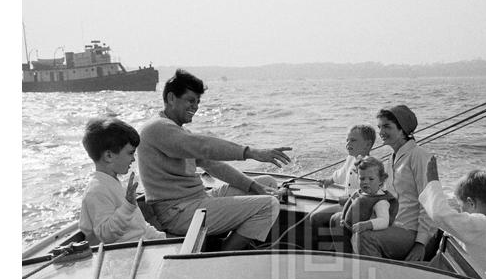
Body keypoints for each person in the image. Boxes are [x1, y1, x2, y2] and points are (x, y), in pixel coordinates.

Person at [137, 69, 292, 250]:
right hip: (178, 212)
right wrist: (251, 152)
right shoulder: (157, 128)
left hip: (198, 199)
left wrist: (255, 187)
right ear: (171, 98)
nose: (195, 107)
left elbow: (213, 165)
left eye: (197, 102)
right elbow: (204, 146)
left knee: (268, 183)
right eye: (190, 100)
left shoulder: (177, 131)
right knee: (269, 205)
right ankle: (223, 254)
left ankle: (227, 243)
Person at [419, 156, 486, 279]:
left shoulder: (479, 225)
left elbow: (439, 214)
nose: (461, 212)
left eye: (461, 206)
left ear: (471, 203)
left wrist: (432, 181)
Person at [355, 105, 434, 263]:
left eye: (387, 126)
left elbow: (430, 204)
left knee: (365, 237)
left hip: (411, 230)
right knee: (342, 221)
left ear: (402, 129)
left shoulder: (419, 156)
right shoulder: (393, 157)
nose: (381, 132)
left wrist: (420, 243)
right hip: (392, 223)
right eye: (379, 127)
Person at [79, 117, 168, 245]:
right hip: (123, 256)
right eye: (130, 153)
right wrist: (127, 206)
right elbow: (105, 235)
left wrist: (162, 239)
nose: (133, 159)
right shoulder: (96, 191)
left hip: (139, 246)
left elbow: (140, 226)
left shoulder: (114, 183)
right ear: (109, 156)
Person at [309, 124, 376, 247]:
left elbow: (370, 192)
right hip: (347, 205)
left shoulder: (370, 166)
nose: (348, 143)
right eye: (347, 140)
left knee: (320, 218)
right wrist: (329, 180)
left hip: (360, 209)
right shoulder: (351, 159)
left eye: (353, 140)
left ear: (367, 144)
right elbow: (341, 173)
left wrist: (349, 199)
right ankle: (327, 250)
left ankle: (334, 252)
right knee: (316, 217)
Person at [332, 156, 398, 254]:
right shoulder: (359, 193)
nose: (366, 182)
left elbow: (384, 221)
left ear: (381, 180)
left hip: (367, 234)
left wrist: (367, 225)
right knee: (335, 220)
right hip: (353, 229)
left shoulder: (380, 201)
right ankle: (344, 256)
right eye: (362, 178)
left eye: (371, 179)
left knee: (359, 246)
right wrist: (343, 217)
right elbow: (350, 203)